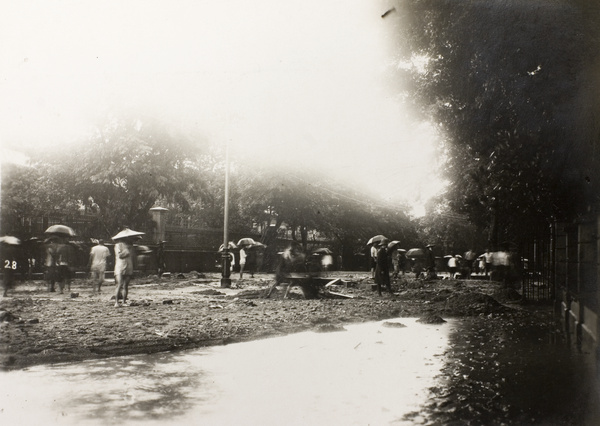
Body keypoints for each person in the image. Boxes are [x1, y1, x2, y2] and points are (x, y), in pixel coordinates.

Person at [114, 237, 135, 307]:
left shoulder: (131, 247)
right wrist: (126, 251)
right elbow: (120, 255)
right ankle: (116, 302)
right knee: (119, 284)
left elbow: (132, 256)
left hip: (129, 266)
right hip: (120, 266)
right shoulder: (118, 245)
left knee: (126, 285)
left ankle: (124, 301)